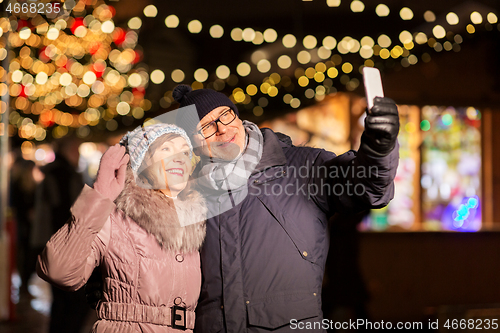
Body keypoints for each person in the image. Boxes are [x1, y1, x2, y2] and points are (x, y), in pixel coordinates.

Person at [171, 84, 400, 333]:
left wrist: (379, 148)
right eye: (205, 127)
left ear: (236, 114)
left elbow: (367, 188)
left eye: (225, 115)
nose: (222, 129)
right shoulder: (185, 193)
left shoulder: (304, 166)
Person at [37, 124, 207, 332]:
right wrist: (99, 197)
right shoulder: (114, 217)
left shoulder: (198, 222)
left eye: (184, 151)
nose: (179, 157)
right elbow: (59, 271)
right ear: (142, 161)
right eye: (166, 149)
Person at [32, 135, 88, 333]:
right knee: (72, 301)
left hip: (50, 242)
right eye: (77, 150)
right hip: (62, 244)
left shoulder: (55, 173)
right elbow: (64, 211)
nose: (79, 155)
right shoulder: (64, 175)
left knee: (62, 300)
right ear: (69, 150)